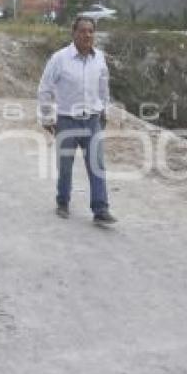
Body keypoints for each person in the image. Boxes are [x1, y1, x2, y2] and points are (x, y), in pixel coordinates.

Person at [37, 16, 115, 225]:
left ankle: (100, 209)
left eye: (90, 31)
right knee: (65, 166)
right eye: (82, 31)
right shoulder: (60, 58)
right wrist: (46, 116)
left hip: (92, 120)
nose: (87, 35)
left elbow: (103, 87)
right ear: (74, 33)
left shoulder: (99, 58)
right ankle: (63, 201)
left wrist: (105, 110)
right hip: (66, 121)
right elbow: (45, 88)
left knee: (97, 165)